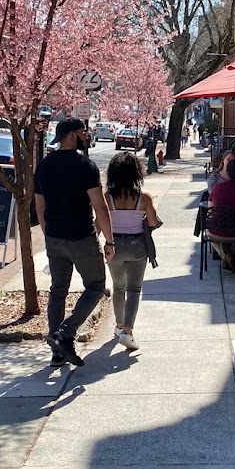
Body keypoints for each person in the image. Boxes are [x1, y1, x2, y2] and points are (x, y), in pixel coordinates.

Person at [33, 117, 115, 368]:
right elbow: (100, 206)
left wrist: (48, 232)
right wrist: (110, 241)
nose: (87, 135)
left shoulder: (44, 166)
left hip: (54, 238)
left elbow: (39, 206)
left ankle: (57, 352)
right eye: (83, 132)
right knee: (96, 286)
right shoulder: (85, 166)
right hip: (81, 237)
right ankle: (65, 333)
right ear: (71, 135)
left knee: (58, 290)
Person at [105, 150, 160, 350]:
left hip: (114, 246)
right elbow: (152, 222)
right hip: (137, 247)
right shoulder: (143, 198)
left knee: (118, 286)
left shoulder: (108, 198)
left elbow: (99, 222)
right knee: (134, 290)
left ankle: (119, 326)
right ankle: (128, 332)